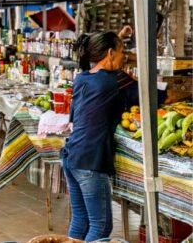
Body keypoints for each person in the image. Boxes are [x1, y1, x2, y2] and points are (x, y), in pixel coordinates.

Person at [61, 27, 142, 241]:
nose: (125, 57)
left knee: (80, 220)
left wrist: (119, 37)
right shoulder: (115, 79)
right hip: (90, 161)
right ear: (110, 53)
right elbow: (155, 97)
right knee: (101, 227)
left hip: (71, 155)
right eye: (122, 51)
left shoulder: (83, 78)